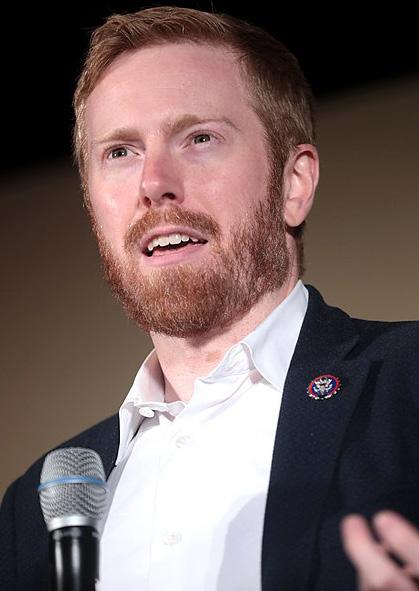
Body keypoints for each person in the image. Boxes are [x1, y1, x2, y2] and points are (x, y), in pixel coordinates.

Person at [1, 6, 419, 591]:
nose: (153, 183)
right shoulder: (32, 510)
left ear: (293, 184)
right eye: (120, 152)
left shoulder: (407, 385)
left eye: (199, 138)